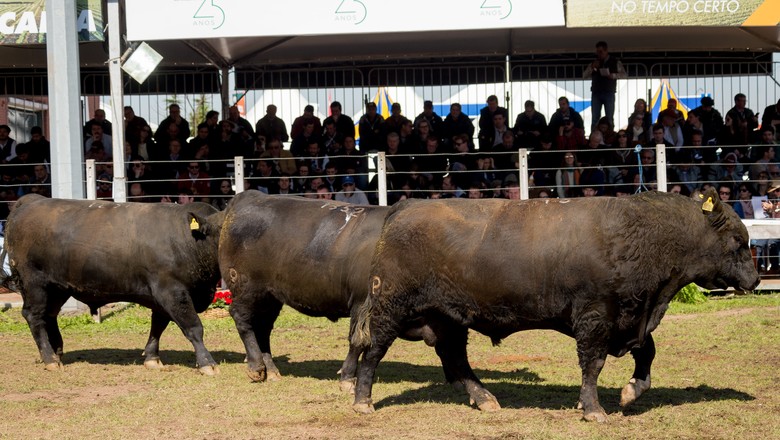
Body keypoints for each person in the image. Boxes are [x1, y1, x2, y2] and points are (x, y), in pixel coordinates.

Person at [582, 41, 626, 130]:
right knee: (595, 118)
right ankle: (594, 137)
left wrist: (613, 75)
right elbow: (584, 76)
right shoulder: (594, 63)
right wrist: (592, 67)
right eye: (597, 52)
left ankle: (610, 138)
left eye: (600, 51)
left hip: (609, 92)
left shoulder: (615, 62)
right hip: (596, 92)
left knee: (609, 117)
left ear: (606, 51)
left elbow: (624, 74)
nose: (599, 54)